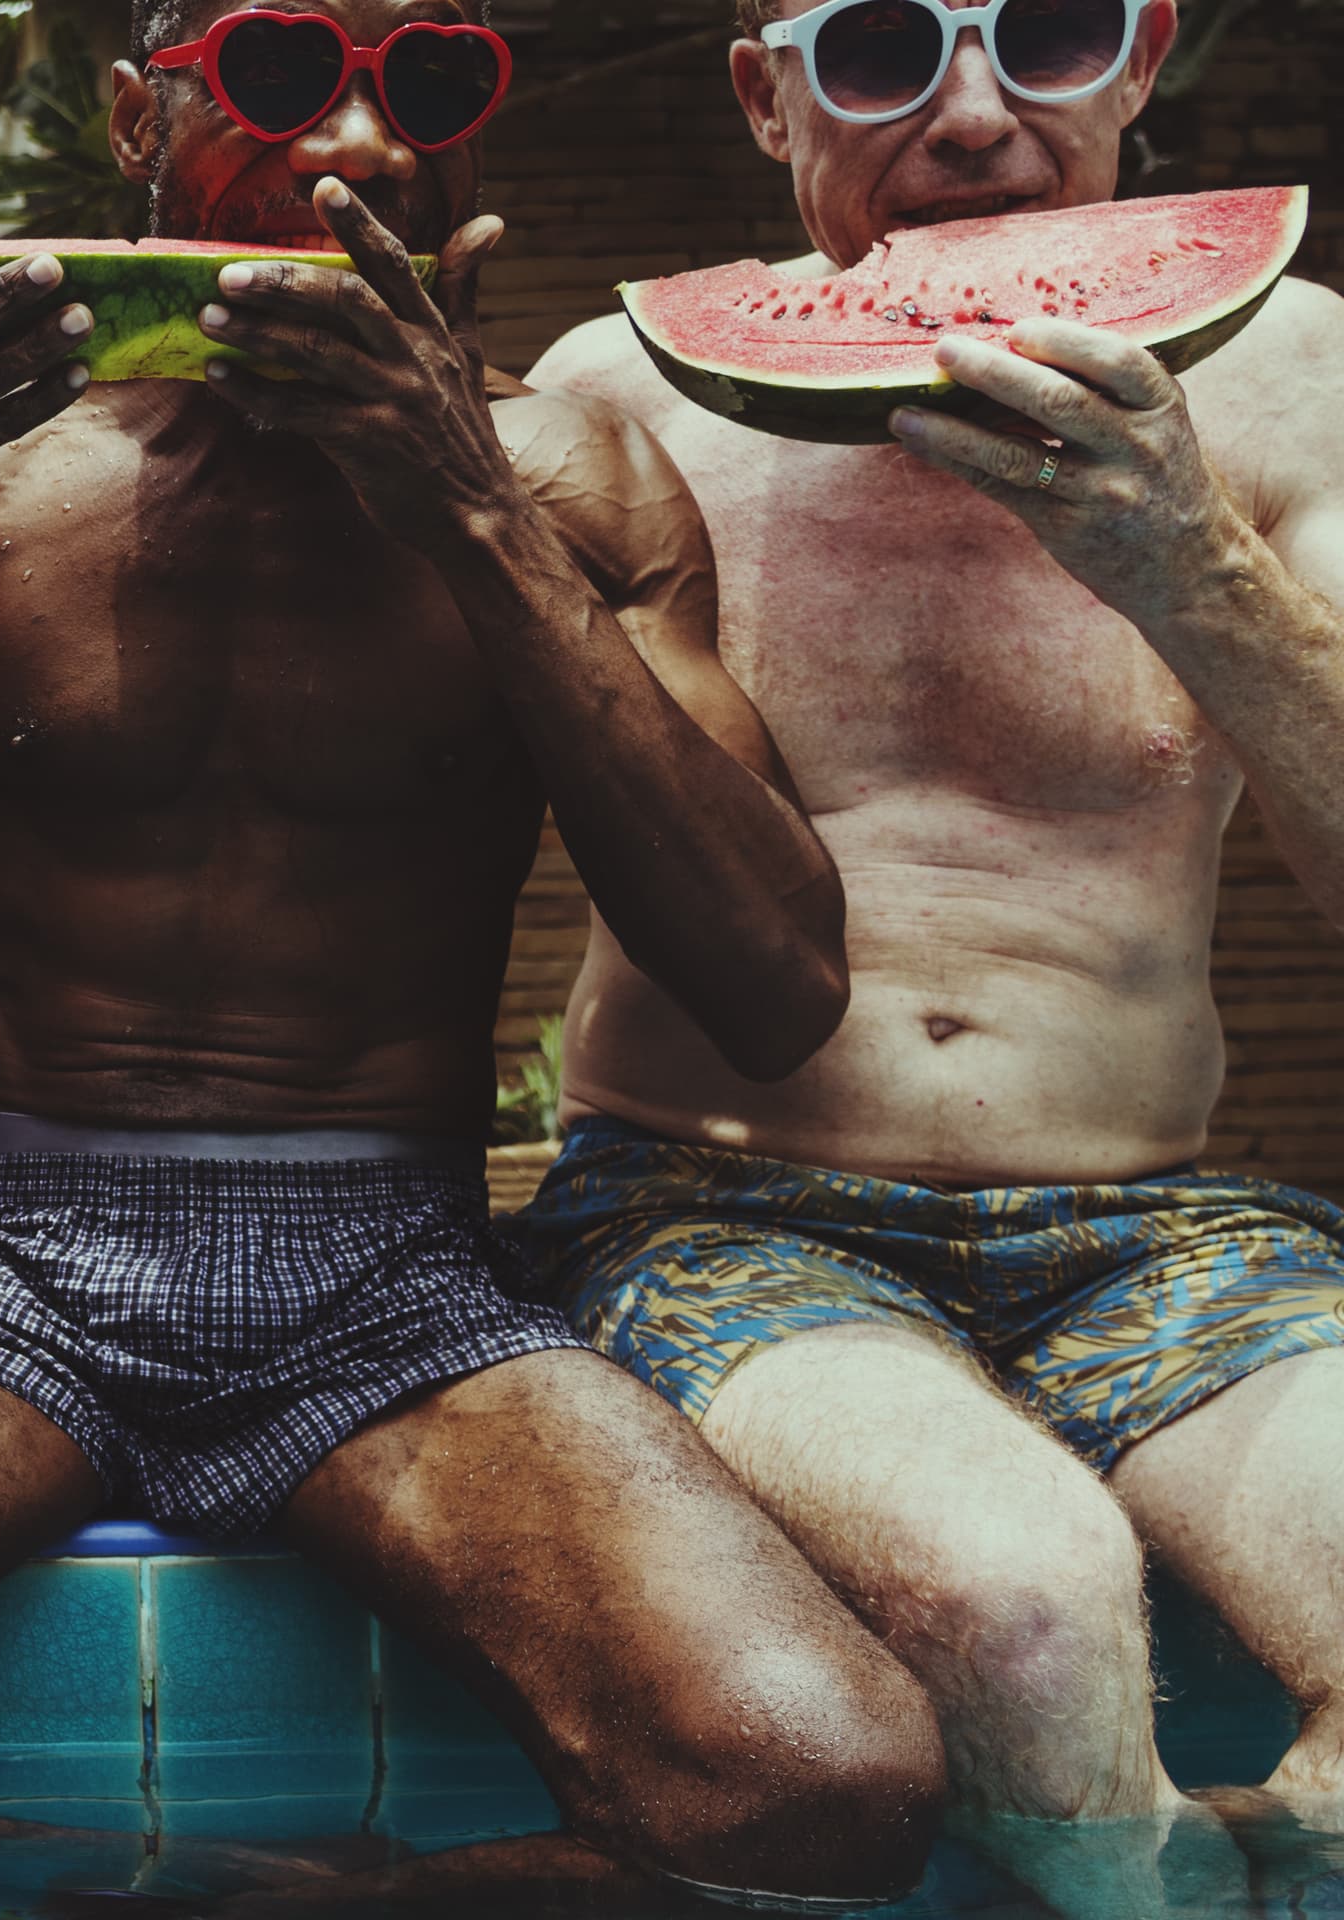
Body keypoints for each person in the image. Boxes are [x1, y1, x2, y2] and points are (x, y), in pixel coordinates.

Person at [0, 0, 961, 1900]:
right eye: (281, 74)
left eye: (430, 82)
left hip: (395, 1274)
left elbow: (778, 990)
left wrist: (469, 510)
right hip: (5, 1249)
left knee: (820, 1786)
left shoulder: (575, 480)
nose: (359, 138)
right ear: (137, 115)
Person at [514, 0, 1344, 1852]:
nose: (974, 115)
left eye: (1051, 35)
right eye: (883, 51)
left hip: (1156, 1229)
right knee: (1025, 1606)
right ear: (762, 95)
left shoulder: (1304, 374)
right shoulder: (614, 397)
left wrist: (1190, 567)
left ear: (1145, 63)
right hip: (714, 1210)